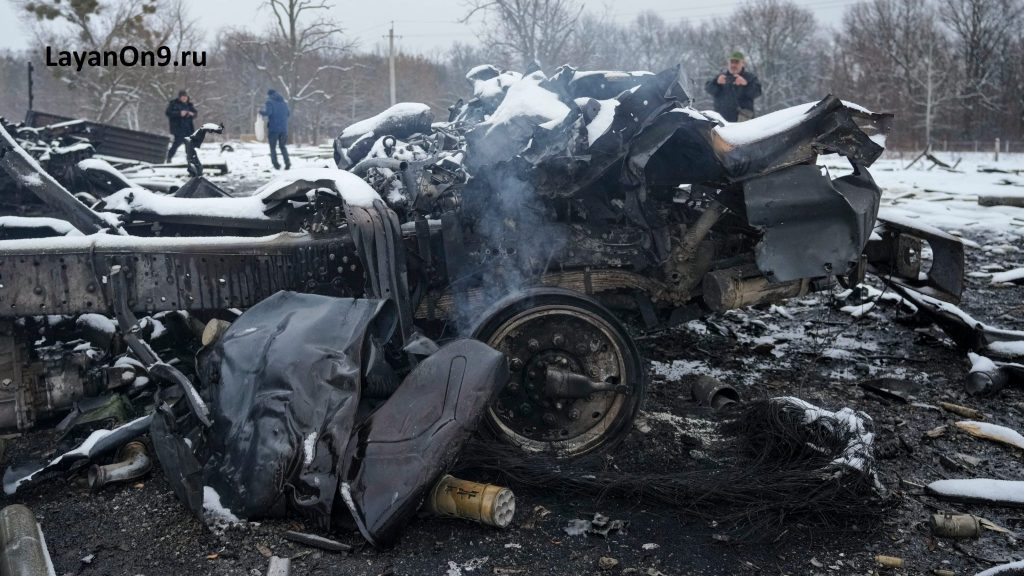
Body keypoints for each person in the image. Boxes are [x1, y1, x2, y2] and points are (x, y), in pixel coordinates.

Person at [704, 51, 762, 122]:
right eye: (731, 62)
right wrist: (716, 82)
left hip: (743, 119)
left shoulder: (750, 77)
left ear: (743, 64)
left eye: (737, 62)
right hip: (722, 120)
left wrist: (745, 84)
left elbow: (757, 92)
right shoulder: (721, 77)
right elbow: (708, 89)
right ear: (728, 64)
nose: (733, 65)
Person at [260, 89, 291, 170]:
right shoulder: (284, 103)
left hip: (273, 129)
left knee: (273, 147)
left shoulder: (269, 102)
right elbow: (288, 114)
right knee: (282, 146)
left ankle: (276, 164)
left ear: (269, 95)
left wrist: (260, 112)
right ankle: (287, 163)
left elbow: (268, 113)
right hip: (284, 129)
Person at [165, 90, 197, 162]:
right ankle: (169, 158)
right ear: (179, 97)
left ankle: (190, 159)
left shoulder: (189, 105)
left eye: (185, 97)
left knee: (189, 145)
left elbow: (195, 113)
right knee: (177, 143)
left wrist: (192, 114)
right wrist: (179, 113)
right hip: (178, 128)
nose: (184, 98)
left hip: (188, 128)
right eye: (183, 97)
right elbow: (168, 113)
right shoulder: (173, 103)